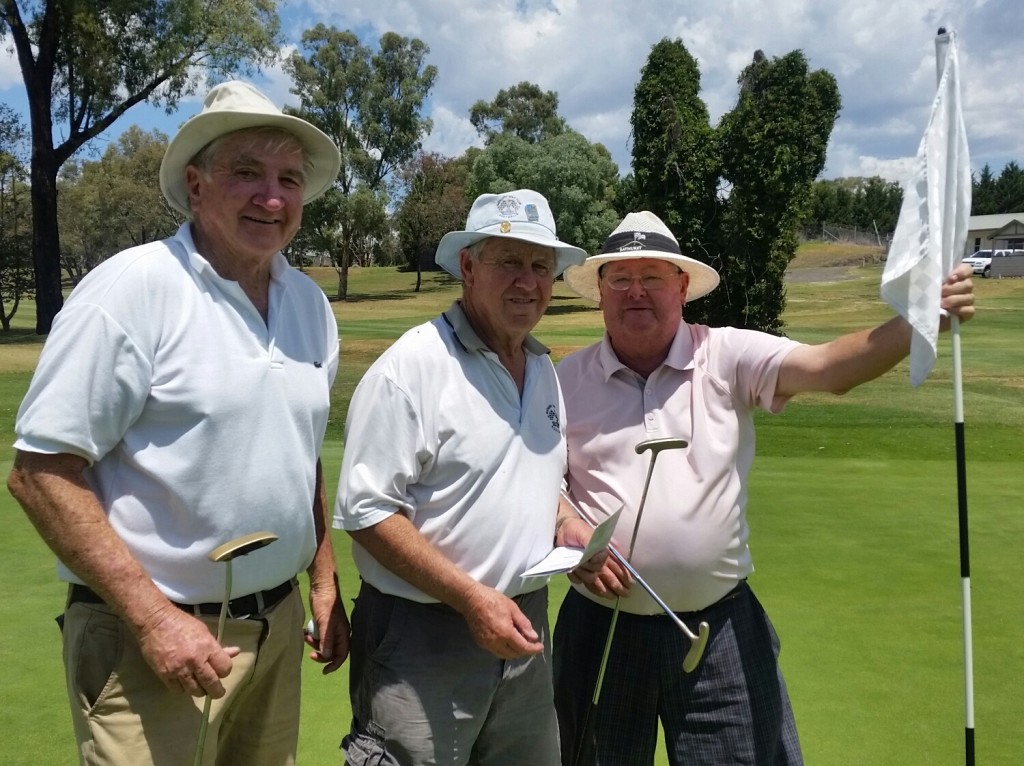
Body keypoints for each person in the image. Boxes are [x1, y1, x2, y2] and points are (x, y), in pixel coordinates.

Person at [551, 210, 976, 765]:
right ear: (600, 292)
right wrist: (564, 523)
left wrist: (921, 319)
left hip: (718, 624)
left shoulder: (725, 355)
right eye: (621, 279)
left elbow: (828, 368)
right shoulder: (561, 382)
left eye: (653, 277)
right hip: (600, 628)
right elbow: (537, 479)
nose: (637, 292)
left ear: (682, 287)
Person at [6, 81, 351, 766]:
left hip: (279, 628)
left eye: (288, 178)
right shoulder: (131, 289)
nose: (272, 197)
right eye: (247, 172)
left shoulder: (309, 302)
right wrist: (155, 620)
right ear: (196, 185)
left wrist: (322, 583)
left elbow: (298, 450)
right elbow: (41, 473)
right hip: (153, 643)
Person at [334, 190, 603, 766]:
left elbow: (539, 478)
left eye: (540, 267)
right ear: (469, 266)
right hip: (422, 632)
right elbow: (366, 512)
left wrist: (568, 520)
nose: (527, 282)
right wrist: (471, 598)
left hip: (526, 626)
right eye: (509, 261)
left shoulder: (540, 368)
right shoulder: (412, 368)